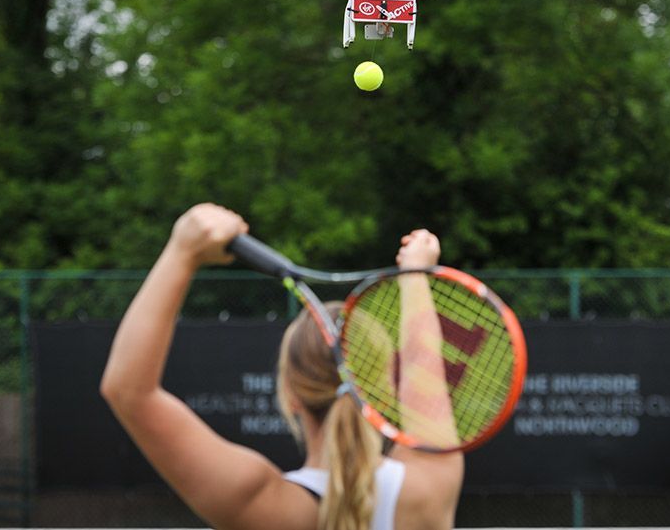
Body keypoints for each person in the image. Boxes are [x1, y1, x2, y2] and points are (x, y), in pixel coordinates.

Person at [100, 203, 464, 530]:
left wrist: (182, 251)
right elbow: (423, 364)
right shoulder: (429, 488)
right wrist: (416, 277)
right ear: (384, 389)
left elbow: (129, 391)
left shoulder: (258, 503)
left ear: (289, 393)